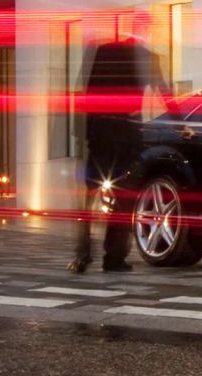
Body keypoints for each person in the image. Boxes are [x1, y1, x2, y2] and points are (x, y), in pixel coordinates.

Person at [69, 34, 162, 273]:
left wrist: (85, 135)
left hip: (100, 132)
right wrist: (181, 123)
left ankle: (82, 254)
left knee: (89, 193)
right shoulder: (149, 58)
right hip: (127, 133)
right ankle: (114, 256)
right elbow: (165, 94)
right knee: (124, 196)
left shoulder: (102, 53)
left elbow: (86, 93)